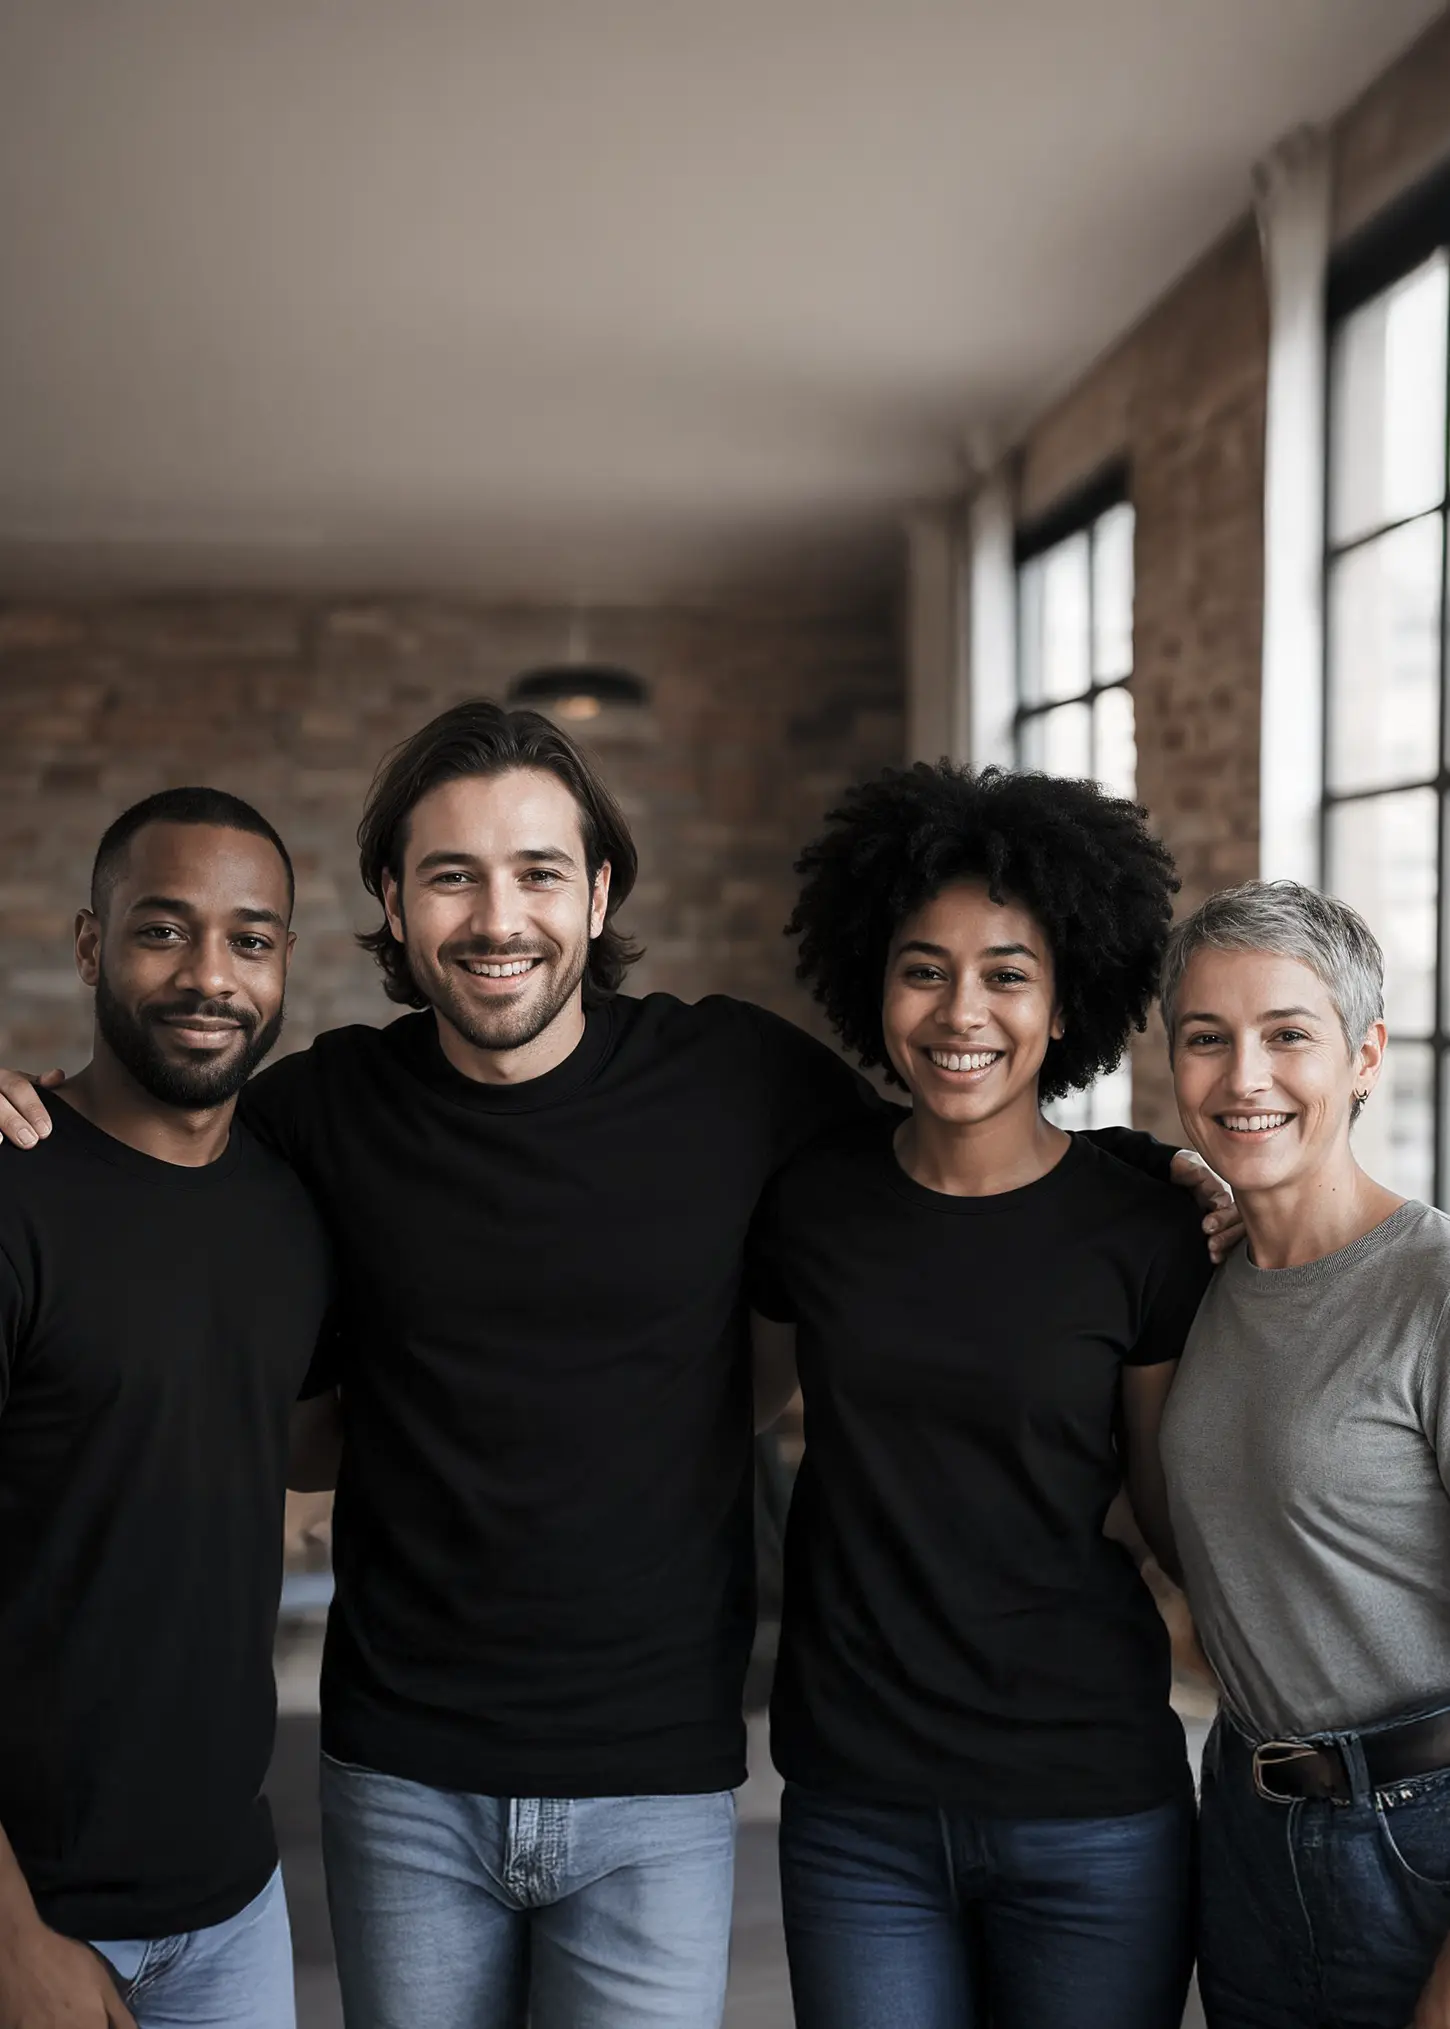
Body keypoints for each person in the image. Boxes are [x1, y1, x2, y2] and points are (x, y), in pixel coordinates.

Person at [0, 705, 1236, 2029]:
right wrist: (37, 1104)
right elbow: (157, 1129)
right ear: (393, 904)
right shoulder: (319, 1109)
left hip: (659, 1773)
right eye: (450, 875)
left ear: (595, 895)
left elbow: (956, 1144)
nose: (496, 916)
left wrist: (1149, 1172)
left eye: (537, 872)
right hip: (402, 1768)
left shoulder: (738, 1082)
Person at [748, 761, 1217, 2029]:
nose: (963, 1010)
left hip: (1091, 1806)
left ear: (1067, 1001)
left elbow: (1173, 1519)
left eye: (1008, 972)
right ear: (872, 983)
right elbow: (727, 1402)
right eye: (924, 967)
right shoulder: (814, 1202)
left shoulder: (1141, 1225)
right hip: (858, 1810)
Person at [0, 788, 332, 2029]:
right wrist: (12, 1934)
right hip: (29, 1905)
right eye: (162, 930)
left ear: (285, 960)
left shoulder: (290, 1213)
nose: (210, 974)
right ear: (90, 945)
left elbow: (292, 1430)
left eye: (250, 938)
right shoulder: (14, 1195)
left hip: (233, 1909)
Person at [1158, 881, 1450, 2029]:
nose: (1243, 1077)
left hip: (1418, 1833)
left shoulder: (1430, 1288)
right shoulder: (1195, 1281)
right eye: (1206, 1038)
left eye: (1288, 1035)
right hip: (1243, 1818)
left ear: (1366, 1055)